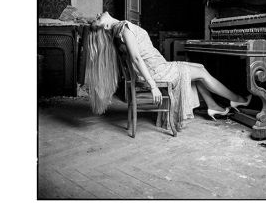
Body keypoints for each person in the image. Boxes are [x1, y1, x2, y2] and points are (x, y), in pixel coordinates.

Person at [85, 12, 251, 130]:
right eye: (98, 19)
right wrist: (153, 86)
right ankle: (237, 100)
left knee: (198, 70)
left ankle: (214, 106)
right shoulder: (123, 29)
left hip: (158, 67)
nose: (99, 14)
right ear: (106, 26)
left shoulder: (120, 30)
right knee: (201, 72)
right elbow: (136, 59)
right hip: (157, 71)